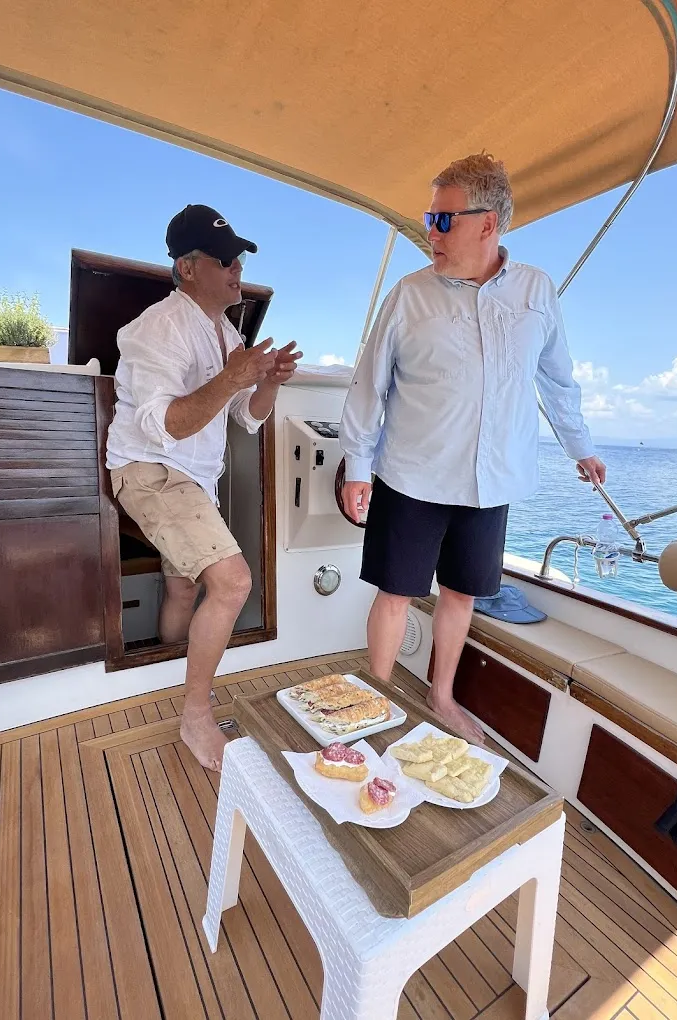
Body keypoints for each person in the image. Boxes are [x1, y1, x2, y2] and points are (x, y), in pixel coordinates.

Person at [339, 154, 605, 745]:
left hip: (492, 480)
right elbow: (368, 385)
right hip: (412, 473)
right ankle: (375, 705)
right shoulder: (410, 294)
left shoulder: (536, 291)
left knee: (461, 592)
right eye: (428, 219)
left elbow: (558, 380)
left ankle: (441, 698)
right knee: (395, 593)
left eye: (442, 220)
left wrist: (580, 448)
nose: (430, 233)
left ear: (488, 223)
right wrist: (357, 466)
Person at [107, 204, 301, 770]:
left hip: (193, 479)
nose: (237, 269)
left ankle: (174, 675)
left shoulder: (226, 332)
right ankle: (195, 715)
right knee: (233, 582)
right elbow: (166, 424)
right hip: (151, 470)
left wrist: (267, 383)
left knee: (184, 590)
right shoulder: (157, 327)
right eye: (225, 259)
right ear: (188, 268)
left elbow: (246, 417)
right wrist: (233, 375)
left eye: (239, 259)